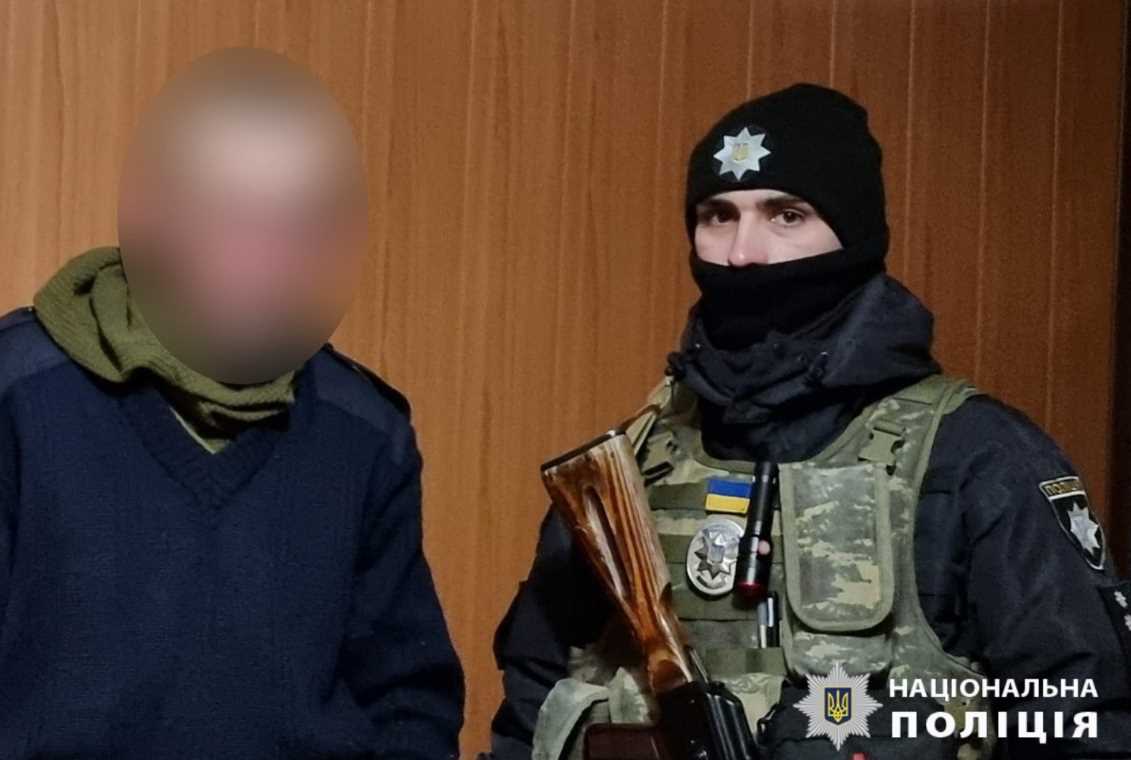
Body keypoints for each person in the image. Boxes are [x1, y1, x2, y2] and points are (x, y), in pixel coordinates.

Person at [488, 83, 1131, 759]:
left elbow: (1082, 722)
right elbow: (531, 709)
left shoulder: (975, 458)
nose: (743, 253)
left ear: (853, 235)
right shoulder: (627, 472)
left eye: (786, 215)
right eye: (717, 216)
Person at [0, 48, 463, 758]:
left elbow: (408, 701)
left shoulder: (365, 434)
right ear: (161, 216)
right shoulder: (21, 398)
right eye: (233, 219)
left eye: (297, 227)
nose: (264, 262)